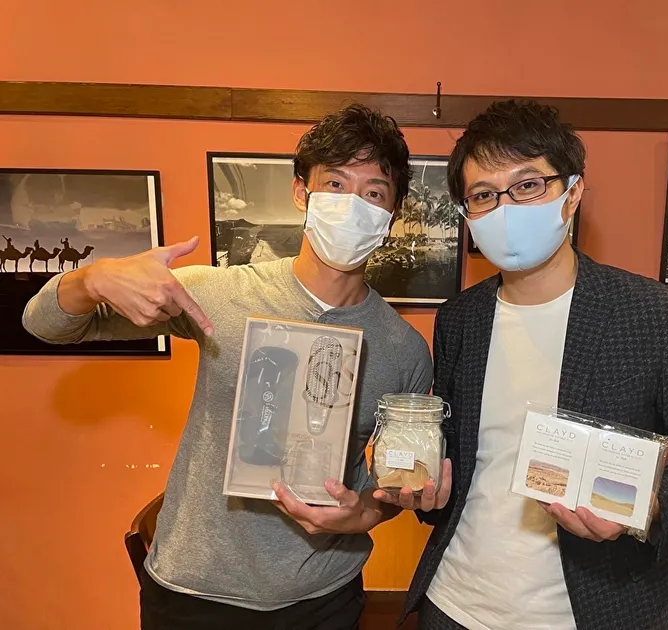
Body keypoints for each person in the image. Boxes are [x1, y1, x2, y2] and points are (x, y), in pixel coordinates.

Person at [22, 104, 448, 630]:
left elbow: (391, 483)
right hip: (194, 591)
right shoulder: (218, 293)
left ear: (392, 212)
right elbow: (45, 324)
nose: (352, 206)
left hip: (323, 597)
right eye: (336, 185)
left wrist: (366, 513)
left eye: (374, 193)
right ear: (302, 192)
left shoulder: (404, 349)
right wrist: (90, 279)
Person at [396, 99, 668, 630]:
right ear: (467, 213)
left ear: (572, 193)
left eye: (528, 185)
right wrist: (424, 484)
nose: (506, 208)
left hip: (596, 610)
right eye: (484, 195)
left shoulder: (656, 316)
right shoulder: (460, 318)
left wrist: (646, 508)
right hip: (456, 602)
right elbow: (459, 458)